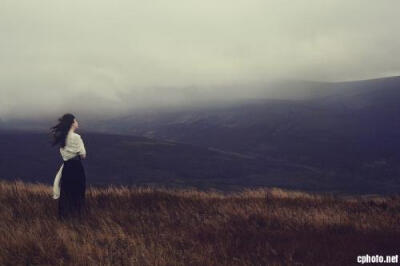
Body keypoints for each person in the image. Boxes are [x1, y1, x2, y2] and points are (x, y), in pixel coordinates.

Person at [49, 113, 87, 221]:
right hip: (77, 167)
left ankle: (64, 218)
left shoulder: (62, 138)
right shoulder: (77, 137)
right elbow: (83, 155)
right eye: (75, 121)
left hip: (67, 168)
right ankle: (76, 217)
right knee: (78, 191)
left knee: (66, 192)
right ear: (72, 123)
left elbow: (64, 154)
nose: (77, 122)